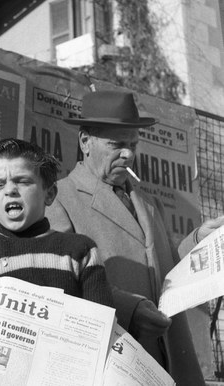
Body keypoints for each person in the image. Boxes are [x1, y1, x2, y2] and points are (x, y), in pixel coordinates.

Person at [45, 90, 224, 385]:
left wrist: (198, 242)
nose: (128, 154)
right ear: (85, 142)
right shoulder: (59, 198)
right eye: (116, 144)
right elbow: (62, 280)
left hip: (167, 361)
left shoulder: (149, 203)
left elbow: (162, 269)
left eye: (132, 144)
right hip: (114, 362)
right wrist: (129, 310)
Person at [0, 139, 114, 386]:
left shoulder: (80, 251)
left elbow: (102, 334)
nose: (10, 190)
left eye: (22, 181)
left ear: (50, 194)